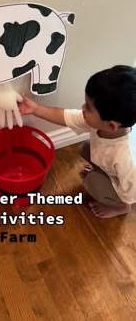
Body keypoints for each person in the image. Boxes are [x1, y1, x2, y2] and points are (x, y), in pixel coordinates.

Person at [19, 65, 136, 218]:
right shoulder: (102, 124)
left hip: (129, 186)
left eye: (88, 107)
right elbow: (65, 116)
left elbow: (132, 191)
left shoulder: (127, 159)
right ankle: (103, 173)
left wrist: (125, 203)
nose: (82, 108)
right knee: (85, 148)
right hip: (113, 167)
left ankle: (121, 208)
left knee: (91, 181)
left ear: (111, 125)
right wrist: (36, 109)